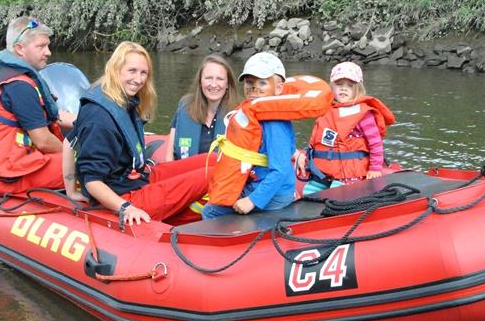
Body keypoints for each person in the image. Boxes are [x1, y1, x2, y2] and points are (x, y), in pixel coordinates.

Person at [69, 41, 211, 226]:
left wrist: (70, 189)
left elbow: (68, 141)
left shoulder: (119, 99)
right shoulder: (100, 118)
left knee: (213, 160)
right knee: (215, 174)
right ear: (116, 69)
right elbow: (92, 181)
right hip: (126, 196)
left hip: (137, 177)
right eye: (132, 71)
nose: (139, 79)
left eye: (143, 73)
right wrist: (126, 208)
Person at [0, 16, 75, 196]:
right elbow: (43, 141)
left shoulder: (4, 71)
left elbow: (54, 115)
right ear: (20, 49)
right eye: (41, 46)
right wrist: (72, 156)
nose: (48, 52)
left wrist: (94, 121)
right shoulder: (20, 86)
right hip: (12, 175)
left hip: (0, 166)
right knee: (92, 165)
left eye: (47, 46)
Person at [201, 53, 298, 219]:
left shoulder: (274, 123)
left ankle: (230, 243)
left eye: (262, 82)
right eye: (249, 82)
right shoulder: (256, 114)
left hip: (277, 194)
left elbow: (280, 171)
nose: (254, 88)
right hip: (259, 182)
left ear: (279, 88)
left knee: (210, 211)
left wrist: (252, 201)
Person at [295, 61, 396, 194]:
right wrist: (305, 157)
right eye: (339, 84)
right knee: (308, 194)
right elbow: (316, 140)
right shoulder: (326, 110)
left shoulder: (364, 114)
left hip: (348, 175)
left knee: (337, 196)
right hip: (322, 172)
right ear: (332, 87)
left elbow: (375, 144)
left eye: (350, 85)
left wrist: (374, 168)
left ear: (358, 89)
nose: (343, 88)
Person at [165, 54, 240, 162]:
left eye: (220, 79)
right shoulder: (185, 106)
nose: (214, 84)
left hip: (221, 177)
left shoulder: (238, 114)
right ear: (200, 81)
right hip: (186, 175)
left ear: (227, 84)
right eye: (208, 78)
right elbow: (169, 157)